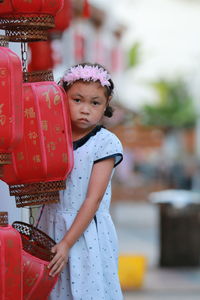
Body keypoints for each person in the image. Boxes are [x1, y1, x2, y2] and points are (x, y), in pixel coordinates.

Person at [37, 62, 123, 300]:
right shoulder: (51, 135)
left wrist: (66, 243)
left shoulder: (105, 142)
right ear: (62, 98)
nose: (85, 109)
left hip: (87, 232)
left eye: (95, 103)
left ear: (105, 106)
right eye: (77, 100)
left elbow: (92, 201)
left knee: (88, 288)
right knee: (53, 289)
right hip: (50, 225)